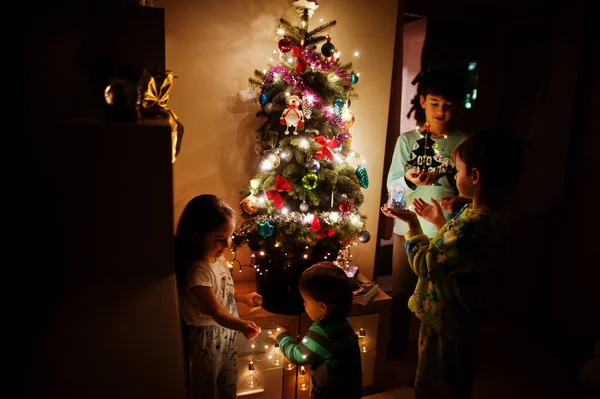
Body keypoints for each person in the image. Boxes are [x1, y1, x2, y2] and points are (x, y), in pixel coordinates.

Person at [381, 129, 523, 398]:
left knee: (439, 384)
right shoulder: (488, 216)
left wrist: (412, 224)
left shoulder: (473, 224)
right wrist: (438, 222)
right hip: (466, 319)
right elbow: (458, 254)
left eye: (458, 171)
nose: (455, 176)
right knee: (455, 379)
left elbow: (427, 264)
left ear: (475, 176)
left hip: (447, 321)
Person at [386, 68, 470, 361]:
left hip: (446, 231)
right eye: (435, 103)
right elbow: (392, 184)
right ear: (422, 102)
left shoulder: (464, 142)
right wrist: (409, 181)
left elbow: (475, 189)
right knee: (401, 293)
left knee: (440, 298)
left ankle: (432, 352)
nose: (441, 112)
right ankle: (396, 350)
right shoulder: (407, 141)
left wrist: (459, 201)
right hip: (408, 230)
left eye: (447, 105)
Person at [175, 194, 262, 399]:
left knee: (228, 380)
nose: (226, 245)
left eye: (229, 237)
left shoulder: (217, 256)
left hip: (227, 330)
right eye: (219, 239)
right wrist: (241, 325)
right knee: (207, 386)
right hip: (208, 337)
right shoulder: (198, 271)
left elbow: (222, 291)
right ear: (196, 238)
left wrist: (242, 298)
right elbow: (214, 310)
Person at [273, 262, 362, 398]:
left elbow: (298, 355)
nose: (303, 304)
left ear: (322, 306)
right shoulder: (342, 324)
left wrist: (281, 336)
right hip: (351, 390)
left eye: (306, 301)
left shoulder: (321, 331)